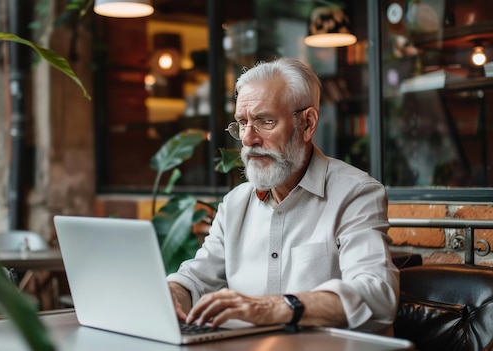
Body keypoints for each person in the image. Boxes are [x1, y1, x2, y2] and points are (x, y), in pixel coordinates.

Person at [167, 57, 399, 336]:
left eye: (265, 121)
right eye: (242, 123)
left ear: (308, 123)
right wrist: (172, 294)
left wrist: (275, 308)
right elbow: (196, 278)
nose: (248, 139)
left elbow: (377, 294)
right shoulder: (235, 204)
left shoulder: (355, 193)